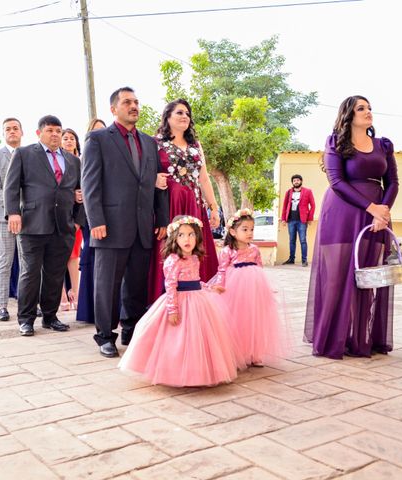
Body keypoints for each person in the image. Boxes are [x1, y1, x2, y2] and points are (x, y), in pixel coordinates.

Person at [304, 95, 399, 359]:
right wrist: (372, 208)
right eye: (361, 108)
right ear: (349, 115)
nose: (368, 111)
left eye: (369, 107)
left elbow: (393, 182)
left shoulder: (384, 145)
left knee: (368, 277)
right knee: (336, 277)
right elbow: (336, 181)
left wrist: (383, 211)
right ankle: (331, 339)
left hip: (377, 216)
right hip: (342, 213)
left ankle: (361, 340)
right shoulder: (335, 142)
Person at [82, 87, 170, 358]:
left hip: (143, 226)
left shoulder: (148, 142)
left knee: (136, 284)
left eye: (136, 102)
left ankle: (131, 331)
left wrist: (163, 219)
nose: (134, 106)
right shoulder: (97, 139)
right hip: (109, 226)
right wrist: (95, 219)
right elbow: (90, 183)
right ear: (114, 109)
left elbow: (157, 183)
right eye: (127, 102)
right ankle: (105, 336)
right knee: (107, 284)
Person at [119, 216, 243, 386]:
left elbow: (195, 281)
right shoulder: (172, 261)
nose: (187, 239)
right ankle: (175, 373)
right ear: (174, 239)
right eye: (182, 235)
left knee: (199, 339)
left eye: (191, 234)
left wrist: (209, 287)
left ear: (197, 237)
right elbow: (170, 286)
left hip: (198, 301)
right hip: (179, 301)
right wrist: (172, 310)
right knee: (178, 340)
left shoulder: (194, 258)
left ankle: (198, 373)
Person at [4, 115, 85, 337]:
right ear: (40, 133)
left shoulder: (73, 161)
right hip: (32, 224)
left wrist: (77, 221)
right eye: (50, 130)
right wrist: (13, 213)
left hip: (63, 227)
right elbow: (11, 187)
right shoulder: (24, 154)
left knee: (55, 274)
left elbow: (82, 192)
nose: (55, 135)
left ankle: (50, 317)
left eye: (58, 131)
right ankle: (26, 319)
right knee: (30, 273)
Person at [148, 99, 220, 304]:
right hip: (169, 205)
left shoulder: (196, 145)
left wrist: (213, 208)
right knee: (171, 251)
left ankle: (199, 305)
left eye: (187, 114)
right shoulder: (156, 143)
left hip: (194, 205)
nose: (184, 117)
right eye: (179, 113)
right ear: (167, 117)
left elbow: (204, 178)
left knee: (195, 250)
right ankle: (166, 303)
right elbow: (146, 173)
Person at [214, 209, 287, 367]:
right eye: (245, 229)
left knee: (255, 319)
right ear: (233, 232)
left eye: (252, 229)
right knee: (237, 319)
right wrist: (220, 285)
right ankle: (236, 353)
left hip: (254, 288)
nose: (249, 233)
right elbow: (222, 269)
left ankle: (255, 353)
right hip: (235, 289)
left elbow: (260, 268)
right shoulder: (227, 251)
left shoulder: (254, 249)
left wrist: (266, 287)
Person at [0, 118, 23, 321]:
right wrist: (13, 209)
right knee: (5, 261)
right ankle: (2, 306)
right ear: (3, 134)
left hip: (29, 217)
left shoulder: (30, 154)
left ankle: (27, 304)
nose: (12, 132)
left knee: (28, 263)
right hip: (4, 217)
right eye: (7, 129)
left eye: (15, 128)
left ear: (21, 132)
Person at [76, 119, 107, 324]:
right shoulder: (85, 155)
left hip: (114, 214)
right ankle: (88, 309)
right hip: (91, 215)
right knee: (91, 256)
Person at [60, 128, 83, 311]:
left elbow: (84, 192)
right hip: (56, 218)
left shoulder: (80, 163)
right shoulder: (55, 163)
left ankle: (76, 294)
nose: (68, 141)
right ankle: (61, 298)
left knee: (73, 257)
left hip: (75, 219)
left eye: (71, 138)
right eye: (65, 138)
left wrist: (78, 221)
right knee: (57, 258)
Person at [280, 174, 315, 266]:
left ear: (301, 181)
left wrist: (310, 218)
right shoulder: (288, 192)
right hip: (291, 220)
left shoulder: (308, 191)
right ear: (292, 182)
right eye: (294, 180)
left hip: (302, 220)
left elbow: (313, 205)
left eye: (298, 180)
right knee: (292, 240)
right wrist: (283, 219)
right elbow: (284, 206)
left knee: (303, 240)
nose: (296, 182)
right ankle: (291, 259)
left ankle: (304, 260)